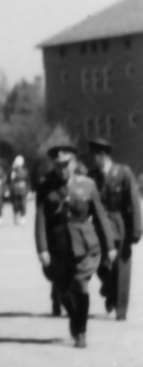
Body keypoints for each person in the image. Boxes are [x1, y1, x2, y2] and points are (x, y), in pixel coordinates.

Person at [35, 131, 115, 346]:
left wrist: (110, 245)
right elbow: (40, 219)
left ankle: (81, 332)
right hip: (57, 247)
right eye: (58, 163)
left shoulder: (87, 184)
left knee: (81, 286)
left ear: (74, 162)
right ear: (53, 163)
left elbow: (100, 216)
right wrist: (42, 248)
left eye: (67, 163)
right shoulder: (45, 186)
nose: (63, 167)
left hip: (84, 246)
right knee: (63, 290)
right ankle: (74, 317)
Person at [88, 137, 142, 319]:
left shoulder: (123, 173)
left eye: (94, 155)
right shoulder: (92, 175)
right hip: (98, 229)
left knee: (122, 269)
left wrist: (136, 229)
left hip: (120, 228)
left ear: (102, 155)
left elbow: (134, 201)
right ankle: (110, 290)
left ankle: (121, 310)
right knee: (100, 266)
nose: (92, 159)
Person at [7, 155, 31, 225]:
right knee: (15, 204)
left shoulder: (25, 171)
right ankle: (16, 217)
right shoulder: (12, 171)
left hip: (23, 190)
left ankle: (23, 217)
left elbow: (28, 181)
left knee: (23, 204)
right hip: (14, 190)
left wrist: (29, 191)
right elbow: (9, 181)